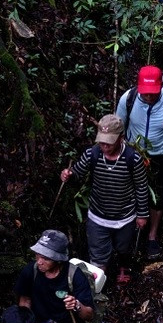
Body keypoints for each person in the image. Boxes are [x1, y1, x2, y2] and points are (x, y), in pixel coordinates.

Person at [60, 114, 148, 285]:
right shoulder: (92, 154)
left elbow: (141, 187)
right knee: (98, 253)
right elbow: (78, 173)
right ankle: (96, 287)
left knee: (124, 247)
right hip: (98, 215)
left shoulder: (133, 159)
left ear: (121, 138)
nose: (104, 145)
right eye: (102, 141)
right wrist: (69, 175)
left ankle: (123, 267)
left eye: (109, 141)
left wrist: (142, 214)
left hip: (125, 216)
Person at [116, 65, 163, 259]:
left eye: (152, 94)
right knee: (129, 191)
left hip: (160, 155)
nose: (148, 97)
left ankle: (152, 236)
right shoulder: (128, 99)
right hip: (133, 153)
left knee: (158, 196)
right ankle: (128, 232)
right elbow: (118, 127)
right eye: (145, 94)